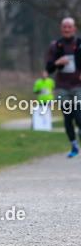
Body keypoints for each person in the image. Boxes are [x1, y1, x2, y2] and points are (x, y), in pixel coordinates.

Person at [45, 17, 81, 157]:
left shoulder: (79, 44)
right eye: (64, 27)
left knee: (78, 114)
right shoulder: (55, 45)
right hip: (62, 87)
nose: (67, 29)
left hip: (78, 85)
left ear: (74, 28)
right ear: (61, 28)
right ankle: (74, 146)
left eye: (69, 27)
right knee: (67, 116)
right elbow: (48, 68)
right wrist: (57, 63)